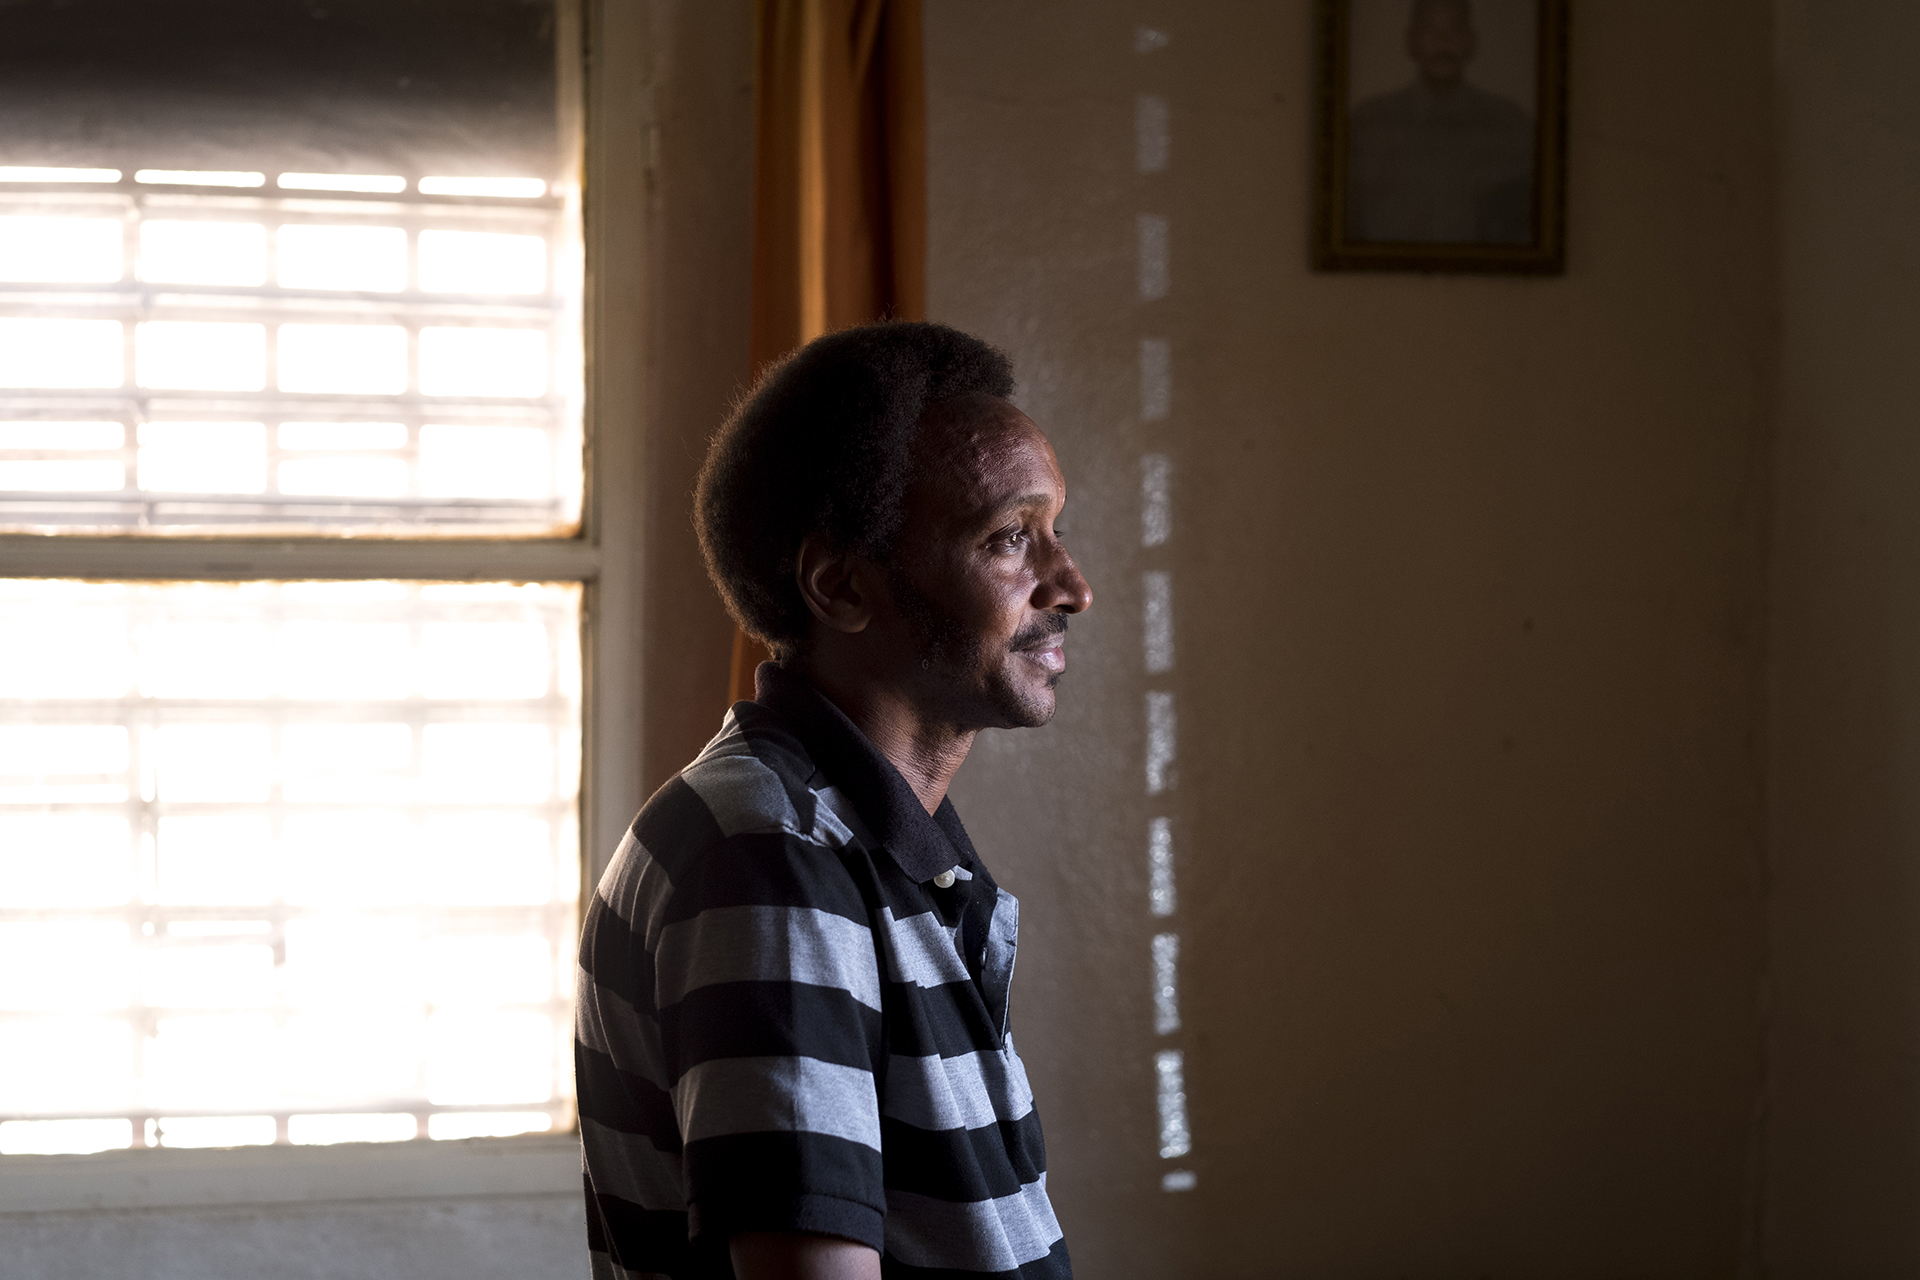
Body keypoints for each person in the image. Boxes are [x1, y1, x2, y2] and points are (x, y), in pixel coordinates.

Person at [575, 321, 1093, 1280]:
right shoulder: (770, 860)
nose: (1070, 585)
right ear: (841, 585)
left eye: (1056, 531)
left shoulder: (868, 849)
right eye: (1009, 538)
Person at [1346, 0, 1535, 245]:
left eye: (1454, 31)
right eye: (1431, 31)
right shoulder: (1368, 122)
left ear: (1471, 41)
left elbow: (1524, 226)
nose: (1443, 43)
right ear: (1411, 41)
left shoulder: (1510, 124)